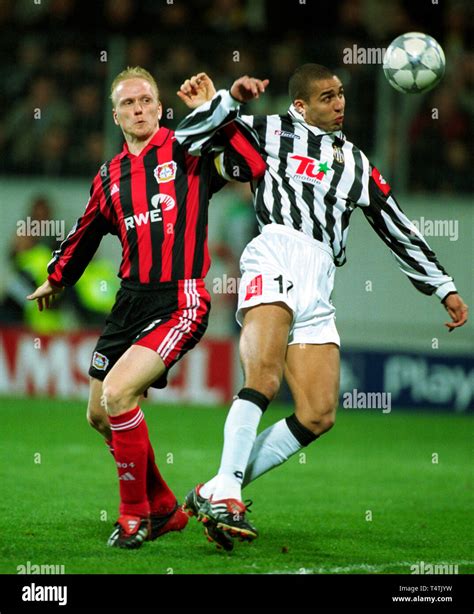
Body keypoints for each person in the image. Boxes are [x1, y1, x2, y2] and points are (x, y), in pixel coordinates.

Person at [176, 65, 469, 550]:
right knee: (264, 378)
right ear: (300, 105)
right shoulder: (270, 129)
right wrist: (224, 100)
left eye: (341, 96)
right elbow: (193, 142)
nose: (339, 104)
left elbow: (395, 225)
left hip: (320, 277)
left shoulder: (356, 162)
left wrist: (442, 285)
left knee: (317, 413)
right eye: (327, 97)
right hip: (275, 252)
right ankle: (228, 494)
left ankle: (216, 487)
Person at [27, 66, 267, 549]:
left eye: (146, 101)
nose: (138, 109)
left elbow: (253, 166)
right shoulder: (110, 175)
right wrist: (56, 277)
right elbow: (86, 231)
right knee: (98, 413)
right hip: (130, 300)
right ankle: (162, 507)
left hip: (181, 297)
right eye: (128, 104)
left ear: (160, 107)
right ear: (115, 115)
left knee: (118, 394)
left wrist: (219, 112)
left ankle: (135, 517)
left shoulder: (187, 148)